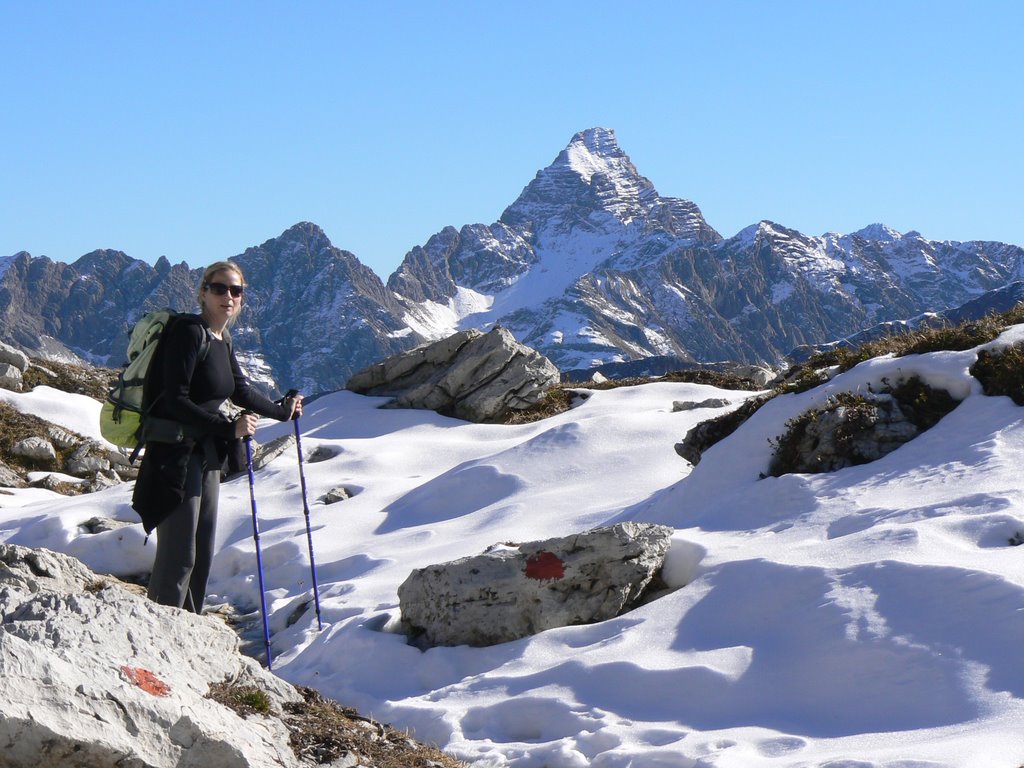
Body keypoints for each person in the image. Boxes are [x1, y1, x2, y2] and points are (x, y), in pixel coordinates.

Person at [132, 260, 303, 613]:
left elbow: (239, 390)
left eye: (236, 290)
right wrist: (229, 429)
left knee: (201, 553)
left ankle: (187, 632)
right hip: (173, 457)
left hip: (204, 456)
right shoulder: (188, 332)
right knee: (180, 556)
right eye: (220, 288)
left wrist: (282, 411)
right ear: (203, 293)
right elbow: (175, 398)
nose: (229, 296)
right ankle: (158, 635)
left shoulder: (223, 340)